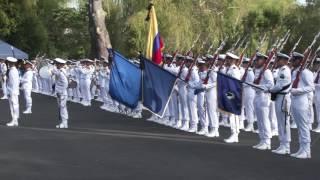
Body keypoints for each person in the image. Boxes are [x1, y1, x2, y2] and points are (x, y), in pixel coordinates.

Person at [290, 52, 314, 159]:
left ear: (299, 61)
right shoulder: (295, 72)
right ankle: (301, 149)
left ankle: (307, 150)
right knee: (299, 127)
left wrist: (297, 90)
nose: (291, 62)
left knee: (304, 127)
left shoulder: (305, 72)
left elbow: (311, 87)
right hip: (294, 100)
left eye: (294, 60)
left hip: (301, 101)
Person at [269, 53, 291, 155]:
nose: (277, 61)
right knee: (280, 122)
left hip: (283, 98)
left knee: (284, 122)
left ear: (284, 61)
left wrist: (270, 89)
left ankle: (286, 146)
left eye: (279, 60)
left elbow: (279, 86)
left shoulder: (284, 71)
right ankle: (282, 144)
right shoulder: (281, 70)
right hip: (279, 97)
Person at [252, 52, 274, 150]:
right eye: (256, 60)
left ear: (264, 61)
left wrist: (259, 87)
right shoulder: (257, 71)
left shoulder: (266, 72)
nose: (256, 61)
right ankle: (262, 140)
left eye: (259, 60)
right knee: (260, 120)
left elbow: (271, 85)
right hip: (257, 96)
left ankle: (267, 142)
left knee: (264, 120)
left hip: (264, 96)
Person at [224, 52, 241, 143]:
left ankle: (235, 134)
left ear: (234, 60)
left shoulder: (234, 69)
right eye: (227, 58)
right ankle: (233, 133)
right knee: (231, 115)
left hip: (233, 94)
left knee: (233, 115)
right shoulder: (229, 69)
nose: (227, 60)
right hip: (229, 93)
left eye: (229, 59)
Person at [52, 58, 69, 128]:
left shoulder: (61, 72)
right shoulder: (60, 71)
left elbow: (66, 83)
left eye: (57, 64)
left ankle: (64, 123)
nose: (56, 65)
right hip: (60, 92)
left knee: (62, 108)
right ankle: (64, 123)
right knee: (62, 108)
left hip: (62, 93)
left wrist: (60, 92)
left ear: (60, 65)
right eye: (56, 63)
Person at [6, 57, 20, 127]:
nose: (8, 63)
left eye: (9, 62)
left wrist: (10, 92)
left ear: (11, 63)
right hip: (12, 90)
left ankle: (14, 120)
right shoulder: (12, 70)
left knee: (13, 106)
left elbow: (14, 83)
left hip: (13, 91)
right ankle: (15, 120)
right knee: (14, 105)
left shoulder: (13, 71)